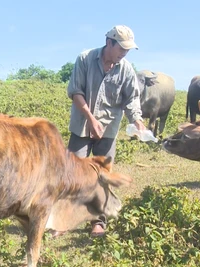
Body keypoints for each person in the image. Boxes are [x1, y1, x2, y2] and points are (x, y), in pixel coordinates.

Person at [66, 25, 146, 237]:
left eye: (127, 50)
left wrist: (137, 119)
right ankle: (66, 218)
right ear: (109, 42)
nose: (124, 53)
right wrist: (91, 119)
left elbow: (132, 98)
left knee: (103, 177)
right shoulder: (85, 59)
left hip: (108, 129)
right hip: (82, 125)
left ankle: (98, 221)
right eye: (121, 48)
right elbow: (75, 92)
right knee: (72, 173)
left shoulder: (126, 69)